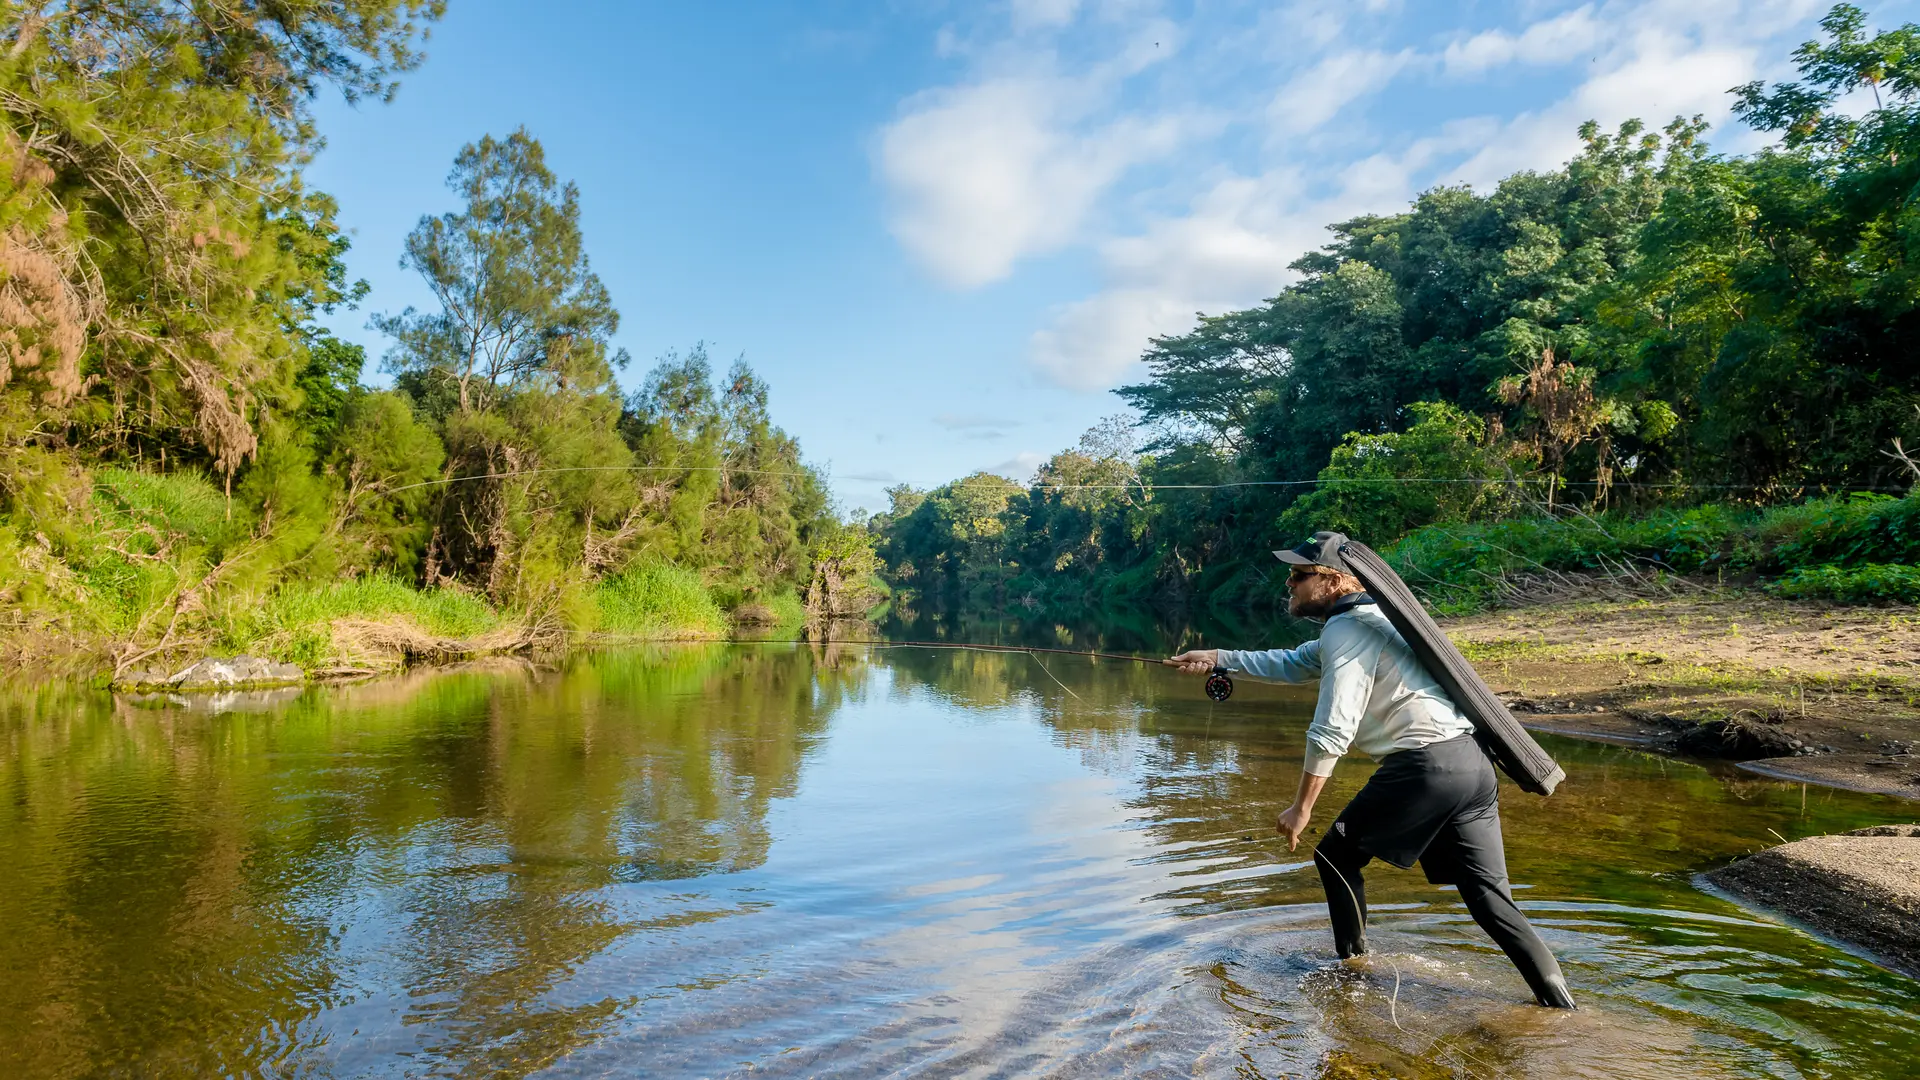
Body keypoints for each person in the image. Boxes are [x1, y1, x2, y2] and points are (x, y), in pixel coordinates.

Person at [1168, 531, 1576, 1009]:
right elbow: (1296, 661)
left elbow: (1333, 728)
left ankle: (1353, 973)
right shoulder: (1373, 618)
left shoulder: (1347, 630)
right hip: (1472, 765)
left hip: (1424, 767)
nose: (1289, 583)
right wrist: (1219, 657)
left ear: (1334, 580)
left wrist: (1302, 807)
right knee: (1490, 900)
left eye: (1300, 575)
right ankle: (1563, 1008)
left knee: (1334, 857)